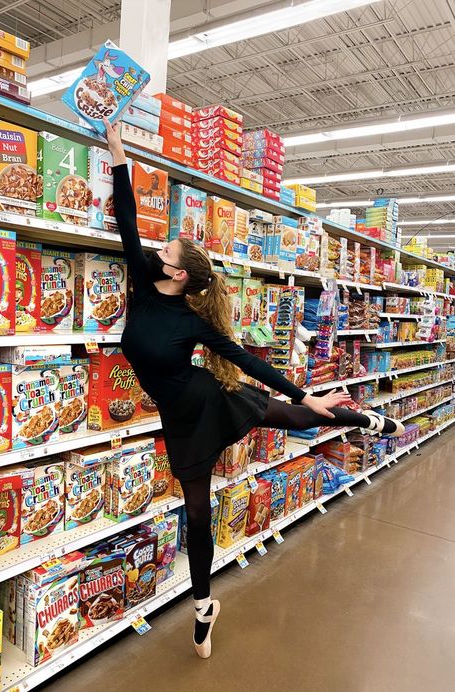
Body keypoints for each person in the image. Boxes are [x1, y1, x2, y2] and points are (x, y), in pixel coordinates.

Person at [104, 118, 404, 659]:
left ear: (177, 276)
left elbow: (246, 360)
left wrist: (303, 394)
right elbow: (126, 217)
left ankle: (362, 419)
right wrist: (118, 149)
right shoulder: (143, 281)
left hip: (208, 401)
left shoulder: (191, 321)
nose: (156, 251)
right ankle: (203, 609)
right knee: (195, 512)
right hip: (180, 420)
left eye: (164, 253)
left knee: (290, 415)